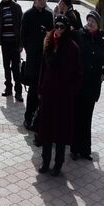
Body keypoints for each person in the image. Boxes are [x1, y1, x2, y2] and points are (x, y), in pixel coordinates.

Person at [33, 16, 82, 176]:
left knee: (61, 132)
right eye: (57, 26)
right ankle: (45, 161)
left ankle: (58, 164)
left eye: (62, 27)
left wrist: (71, 92)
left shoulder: (73, 48)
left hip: (64, 96)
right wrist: (40, 89)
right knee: (46, 129)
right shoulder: (48, 42)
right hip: (48, 93)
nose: (59, 30)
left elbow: (77, 74)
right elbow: (42, 68)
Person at [73, 11, 104, 162]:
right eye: (88, 20)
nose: (89, 23)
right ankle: (75, 149)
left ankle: (85, 150)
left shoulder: (102, 42)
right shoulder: (79, 35)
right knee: (77, 117)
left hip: (93, 87)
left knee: (87, 118)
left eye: (93, 22)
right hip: (79, 84)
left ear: (98, 26)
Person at [20, 0, 54, 130]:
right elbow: (23, 36)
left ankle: (39, 120)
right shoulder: (28, 15)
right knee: (33, 91)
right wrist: (30, 50)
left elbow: (52, 34)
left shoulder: (48, 15)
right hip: (33, 59)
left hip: (45, 59)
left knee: (43, 92)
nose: (42, 1)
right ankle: (28, 118)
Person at [0, 0, 24, 101]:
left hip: (15, 43)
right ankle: (8, 89)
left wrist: (21, 44)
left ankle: (18, 92)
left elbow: (21, 26)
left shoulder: (16, 7)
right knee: (6, 67)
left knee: (16, 68)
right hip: (5, 43)